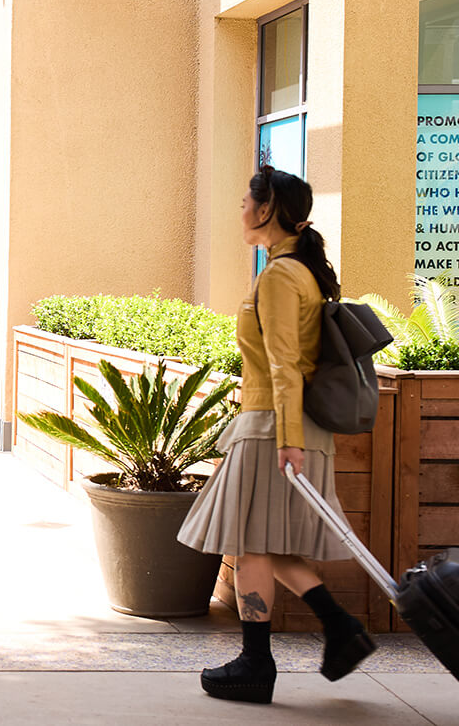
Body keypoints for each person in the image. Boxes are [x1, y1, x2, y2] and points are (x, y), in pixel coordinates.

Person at [177, 165, 376, 704]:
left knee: (249, 542)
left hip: (273, 429)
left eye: (247, 199)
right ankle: (339, 630)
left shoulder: (283, 276)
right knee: (265, 543)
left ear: (267, 210)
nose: (241, 207)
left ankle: (256, 663)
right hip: (278, 427)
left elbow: (287, 365)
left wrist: (287, 440)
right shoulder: (291, 272)